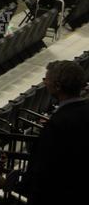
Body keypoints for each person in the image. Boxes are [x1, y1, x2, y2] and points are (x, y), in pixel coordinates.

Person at [16, 61, 89, 205]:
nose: (45, 83)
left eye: (46, 79)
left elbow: (45, 168)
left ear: (57, 86)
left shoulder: (58, 123)